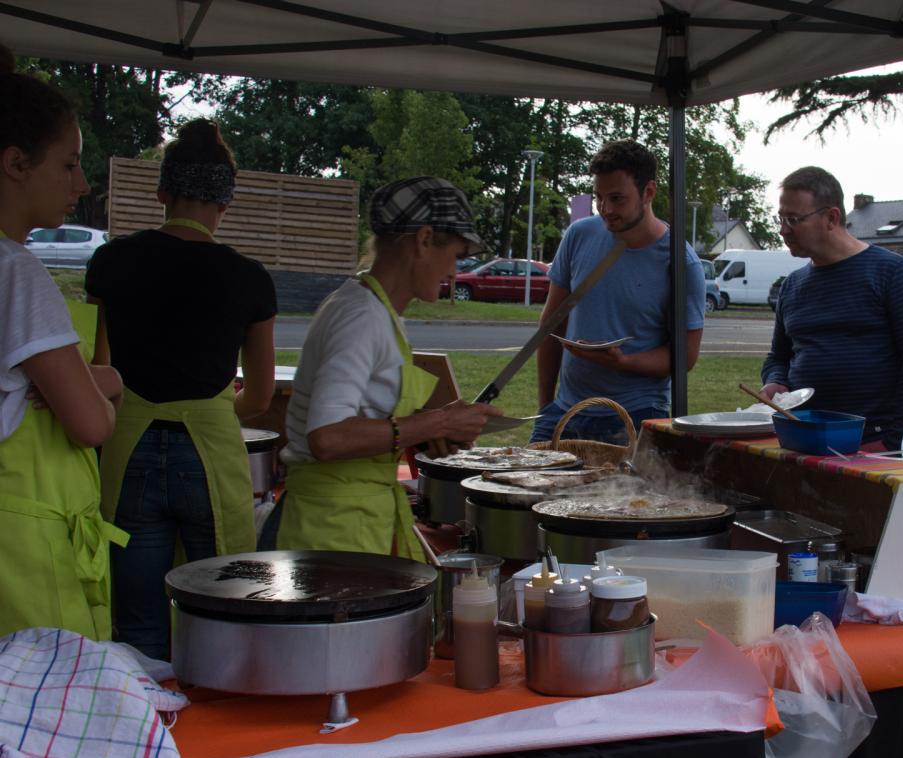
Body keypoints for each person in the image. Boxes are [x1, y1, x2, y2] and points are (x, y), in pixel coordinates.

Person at [85, 119, 276, 660]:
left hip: (128, 449)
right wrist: (215, 408)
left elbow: (97, 368)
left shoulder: (111, 261)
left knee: (138, 625)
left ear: (162, 193)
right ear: (226, 202)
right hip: (210, 453)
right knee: (222, 615)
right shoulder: (248, 277)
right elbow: (260, 398)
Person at [276, 177, 502, 558]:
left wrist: (427, 433)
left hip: (354, 521)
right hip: (332, 530)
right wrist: (437, 423)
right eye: (456, 255)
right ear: (424, 240)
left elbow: (365, 418)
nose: (454, 272)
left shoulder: (376, 311)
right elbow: (327, 437)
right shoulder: (360, 317)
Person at [0, 57, 127, 639]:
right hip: (25, 545)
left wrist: (84, 380)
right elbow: (91, 424)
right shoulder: (17, 273)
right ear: (15, 164)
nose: (81, 185)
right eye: (69, 165)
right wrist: (107, 385)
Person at [532, 139, 705, 445]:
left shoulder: (680, 262)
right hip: (565, 410)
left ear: (648, 192)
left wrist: (623, 362)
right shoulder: (579, 235)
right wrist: (546, 407)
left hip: (636, 413)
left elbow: (685, 357)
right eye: (599, 197)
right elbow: (551, 325)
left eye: (617, 198)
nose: (606, 209)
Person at [759, 167, 903, 451]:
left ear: (831, 218)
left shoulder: (891, 272)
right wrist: (776, 381)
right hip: (801, 437)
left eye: (793, 219)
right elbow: (778, 357)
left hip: (872, 442)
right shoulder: (792, 285)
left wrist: (893, 440)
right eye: (780, 219)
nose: (783, 230)